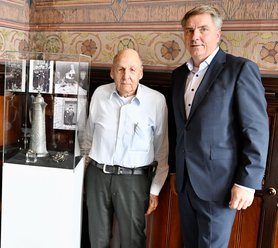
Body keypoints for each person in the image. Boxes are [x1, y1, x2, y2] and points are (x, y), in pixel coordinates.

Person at [170, 5, 269, 248]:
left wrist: (247, 182)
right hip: (185, 183)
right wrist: (175, 171)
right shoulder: (178, 75)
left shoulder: (240, 69)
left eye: (203, 29)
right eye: (189, 30)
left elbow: (255, 129)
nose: (195, 36)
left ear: (218, 33)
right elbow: (180, 129)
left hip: (220, 186)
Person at [83, 48, 169, 248]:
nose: (126, 76)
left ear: (141, 72)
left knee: (133, 240)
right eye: (120, 69)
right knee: (97, 239)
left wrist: (155, 189)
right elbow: (87, 139)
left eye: (132, 69)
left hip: (134, 180)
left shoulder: (156, 101)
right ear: (112, 72)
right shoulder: (99, 94)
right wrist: (82, 177)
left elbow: (161, 150)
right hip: (97, 176)